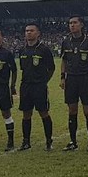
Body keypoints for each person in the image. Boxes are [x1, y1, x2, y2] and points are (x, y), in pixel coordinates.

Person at [60, 16, 88, 151]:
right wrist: (62, 77)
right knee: (72, 110)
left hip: (84, 79)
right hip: (70, 79)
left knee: (87, 111)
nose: (72, 25)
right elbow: (64, 61)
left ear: (81, 25)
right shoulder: (65, 42)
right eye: (70, 23)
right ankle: (73, 142)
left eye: (75, 23)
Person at [18, 23, 56, 151]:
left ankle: (49, 141)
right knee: (26, 114)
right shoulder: (22, 50)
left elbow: (51, 68)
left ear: (38, 33)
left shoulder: (44, 49)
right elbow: (22, 68)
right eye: (27, 30)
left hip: (39, 86)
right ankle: (26, 142)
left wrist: (44, 81)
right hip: (26, 86)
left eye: (31, 30)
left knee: (43, 112)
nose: (29, 33)